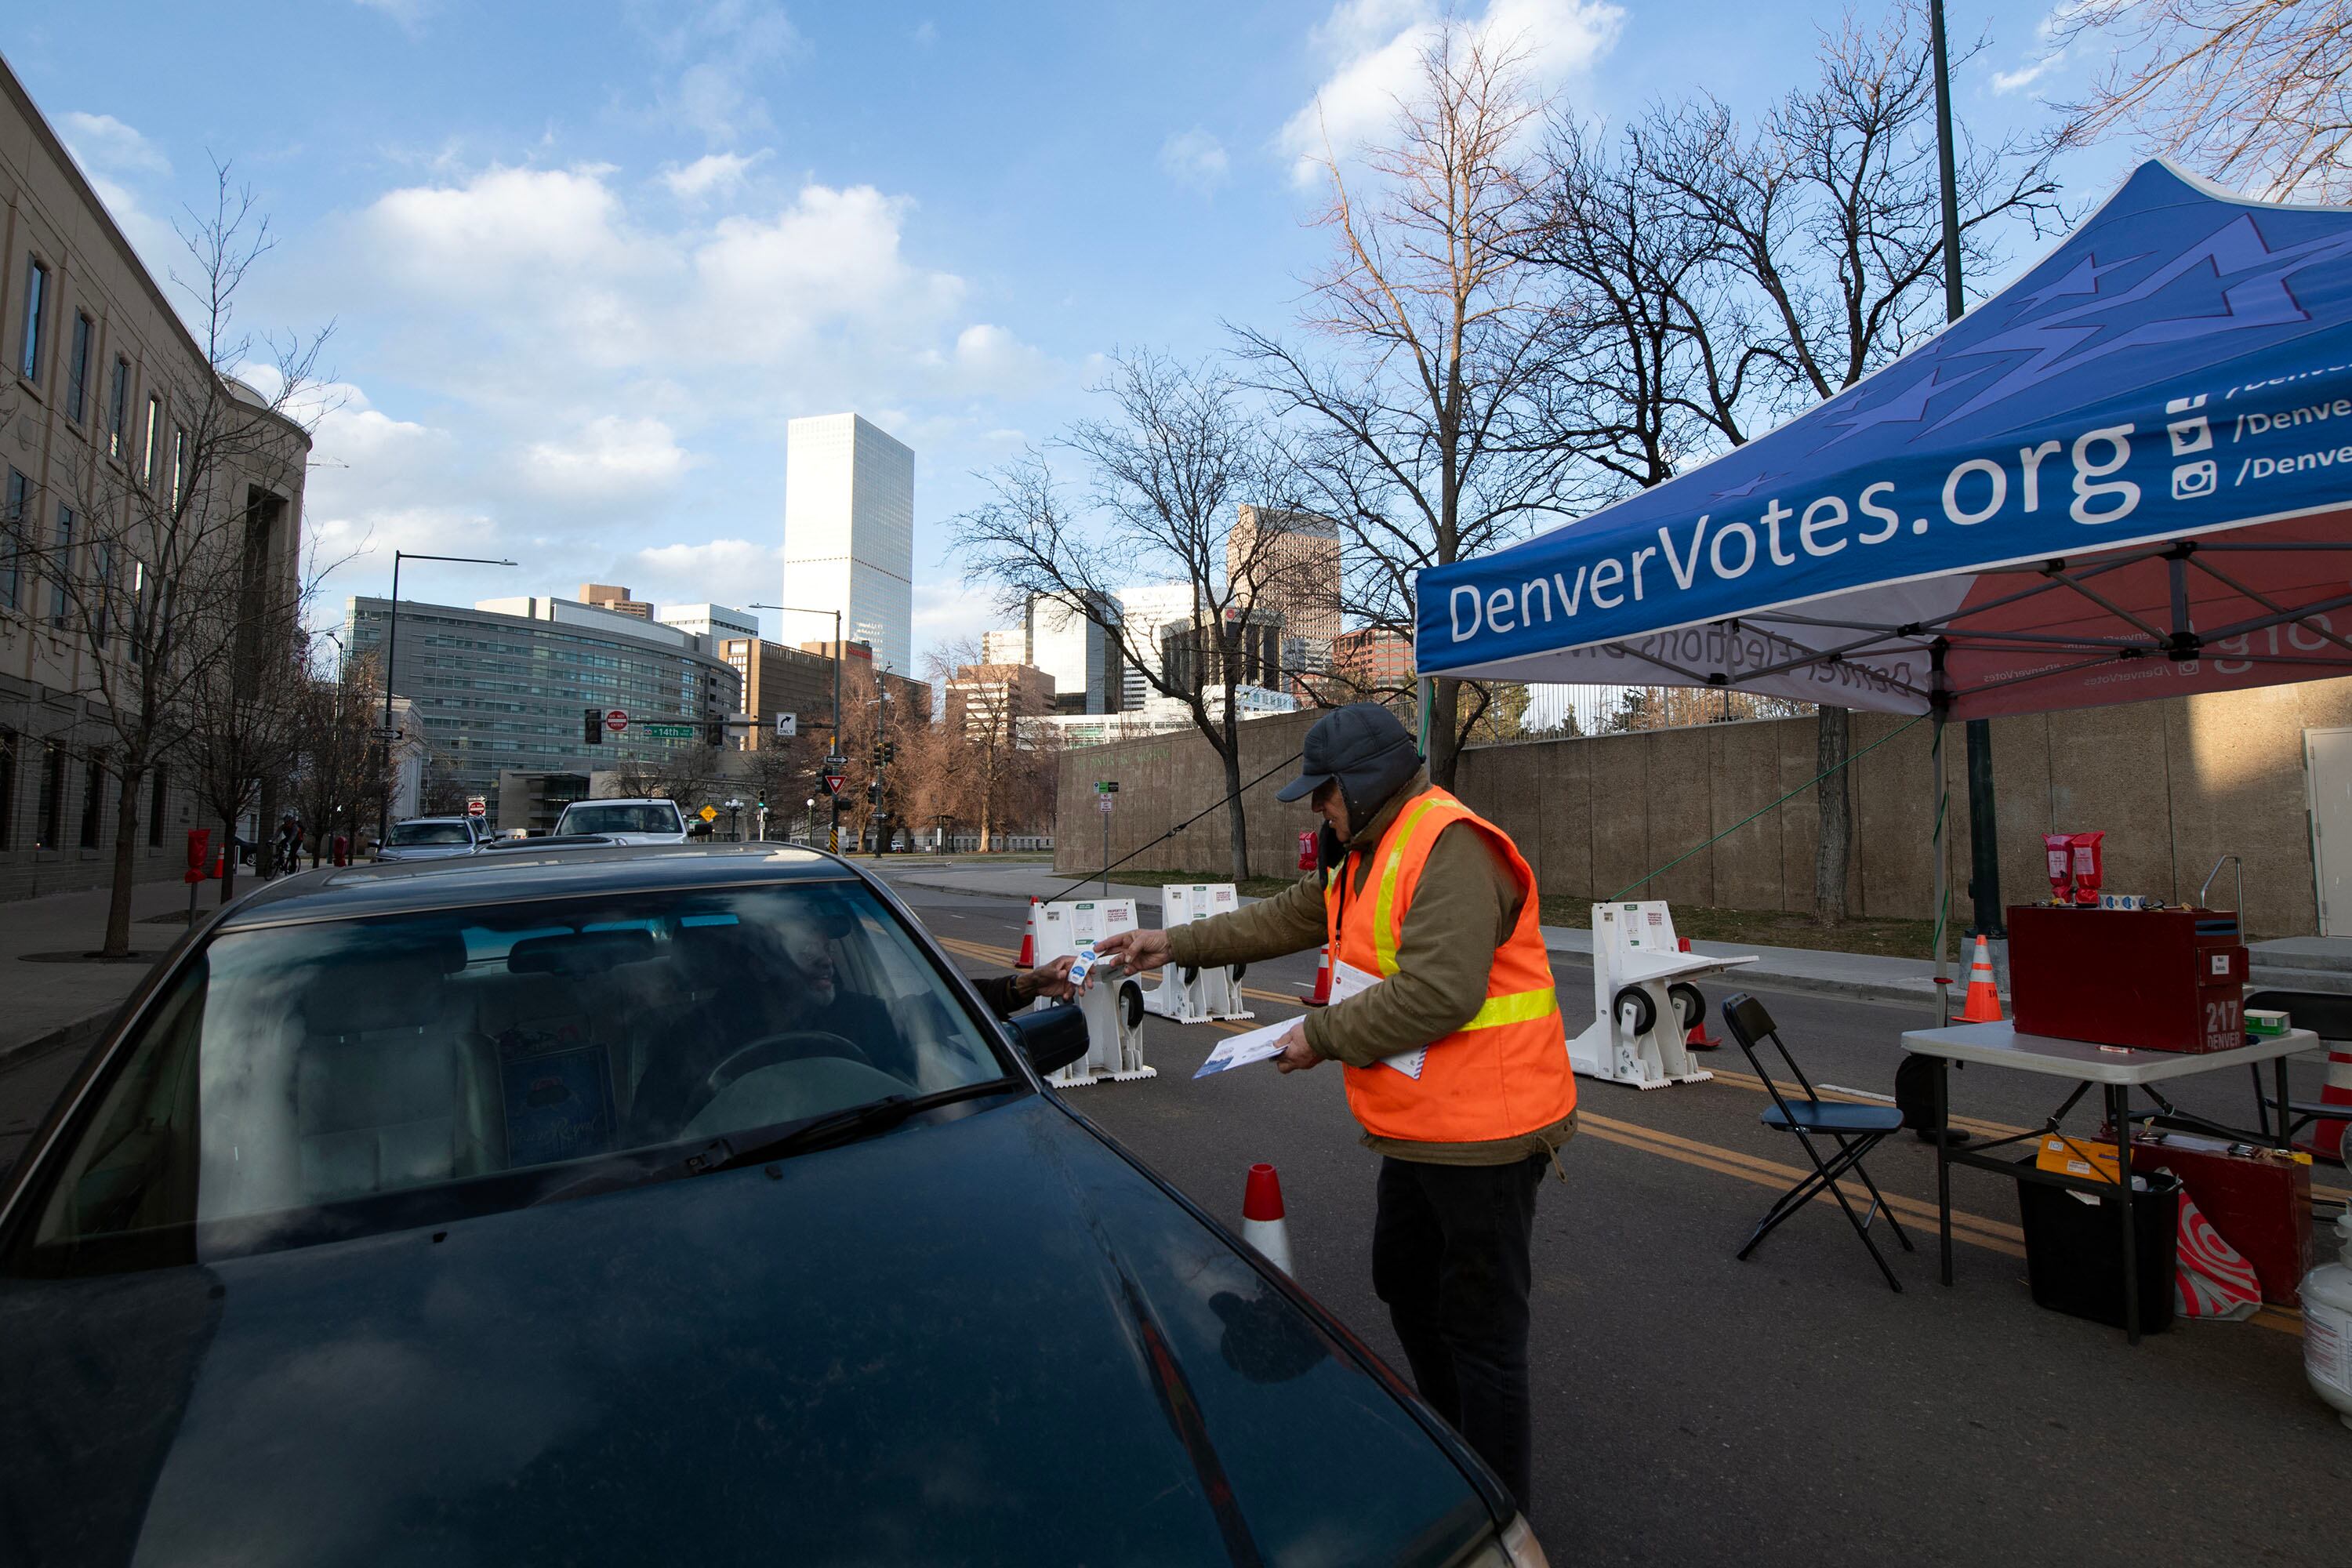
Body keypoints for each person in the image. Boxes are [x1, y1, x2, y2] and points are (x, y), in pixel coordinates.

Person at [1093, 702, 1576, 1512]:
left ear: (1367, 781)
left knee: (1482, 1330)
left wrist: (1319, 1034)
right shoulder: (1367, 849)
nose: (1318, 806)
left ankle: (1498, 1509)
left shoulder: (1450, 845)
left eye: (1324, 791)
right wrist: (1171, 941)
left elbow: (1442, 990)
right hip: (1424, 1124)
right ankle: (1451, 1444)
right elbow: (1291, 912)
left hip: (1489, 1132)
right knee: (1402, 1279)